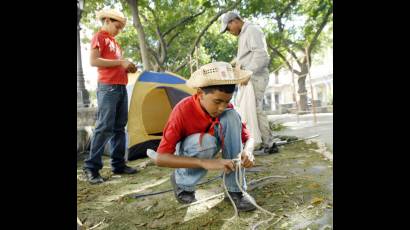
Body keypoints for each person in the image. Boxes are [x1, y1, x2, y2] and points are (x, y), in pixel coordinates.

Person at [148, 62, 257, 211]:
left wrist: (248, 151)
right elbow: (161, 158)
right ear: (200, 94)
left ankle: (235, 190)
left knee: (231, 116)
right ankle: (183, 183)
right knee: (205, 143)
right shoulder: (182, 111)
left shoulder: (227, 110)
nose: (222, 108)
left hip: (208, 147)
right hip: (193, 150)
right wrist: (204, 163)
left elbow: (249, 138)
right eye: (217, 102)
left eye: (227, 101)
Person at [83, 9, 138, 184]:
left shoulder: (114, 42)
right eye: (117, 26)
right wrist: (121, 62)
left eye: (121, 28)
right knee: (104, 126)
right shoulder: (99, 37)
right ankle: (91, 168)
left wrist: (128, 67)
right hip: (107, 88)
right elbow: (94, 61)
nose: (119, 30)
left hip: (121, 87)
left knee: (120, 127)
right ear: (107, 20)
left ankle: (118, 165)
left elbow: (116, 65)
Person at [220, 11, 278, 154]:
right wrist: (231, 65)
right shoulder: (243, 34)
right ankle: (259, 141)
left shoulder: (252, 30)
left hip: (256, 77)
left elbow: (262, 56)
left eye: (228, 28)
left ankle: (270, 144)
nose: (229, 32)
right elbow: (245, 56)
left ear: (234, 21)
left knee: (256, 109)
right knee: (249, 109)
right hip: (248, 77)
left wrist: (248, 72)